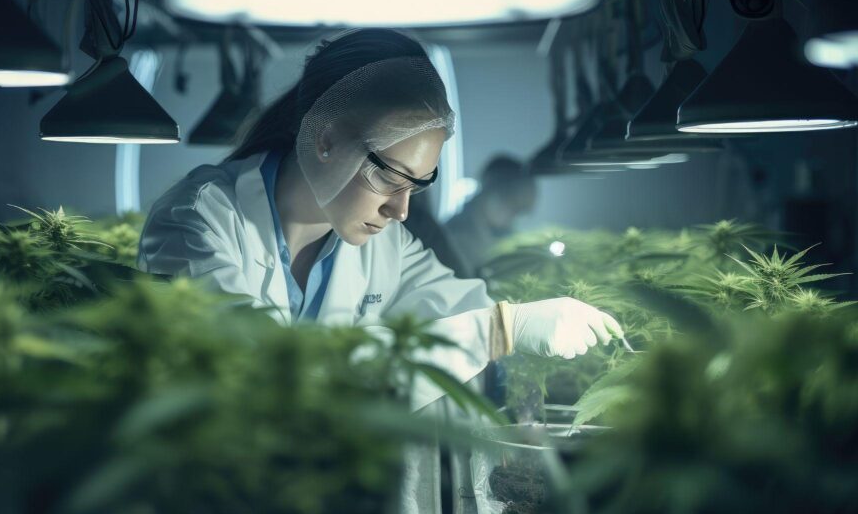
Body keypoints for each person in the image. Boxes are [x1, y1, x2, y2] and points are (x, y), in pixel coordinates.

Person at [138, 29, 622, 410]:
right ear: (325, 141)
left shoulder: (385, 246)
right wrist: (498, 329)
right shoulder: (198, 220)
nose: (401, 210)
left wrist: (539, 334)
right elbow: (261, 372)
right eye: (390, 177)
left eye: (418, 186)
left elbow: (461, 311)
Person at [445, 155, 537, 276]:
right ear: (489, 190)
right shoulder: (455, 237)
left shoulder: (506, 235)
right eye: (511, 204)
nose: (512, 217)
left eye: (519, 211)